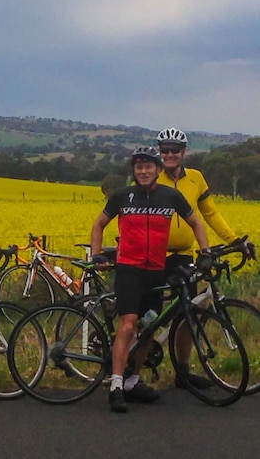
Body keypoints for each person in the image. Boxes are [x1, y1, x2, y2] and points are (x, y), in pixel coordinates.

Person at [90, 146, 210, 413]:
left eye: (148, 166)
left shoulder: (171, 196)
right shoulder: (122, 196)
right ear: (134, 171)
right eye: (138, 167)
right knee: (128, 324)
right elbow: (99, 224)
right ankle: (117, 385)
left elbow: (196, 223)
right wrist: (97, 255)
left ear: (157, 170)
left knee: (149, 326)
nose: (143, 171)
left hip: (156, 271)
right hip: (129, 270)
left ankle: (133, 381)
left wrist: (205, 253)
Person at [155, 127, 247, 389]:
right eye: (165, 150)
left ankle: (182, 372)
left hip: (184, 257)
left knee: (187, 314)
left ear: (184, 153)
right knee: (147, 314)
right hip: (154, 255)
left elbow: (210, 214)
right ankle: (134, 371)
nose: (169, 154)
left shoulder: (196, 179)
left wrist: (233, 240)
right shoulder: (150, 175)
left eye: (174, 150)